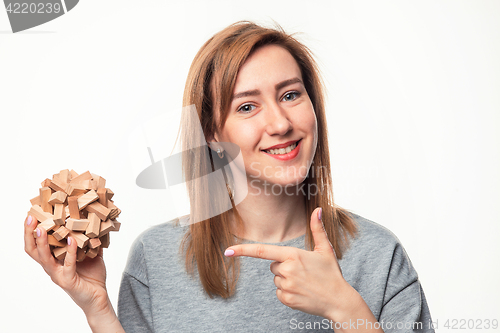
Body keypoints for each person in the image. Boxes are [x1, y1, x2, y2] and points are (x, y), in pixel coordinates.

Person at [24, 21, 434, 332]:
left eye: (291, 95)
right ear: (212, 134)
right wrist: (96, 307)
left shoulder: (378, 256)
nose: (279, 123)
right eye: (247, 107)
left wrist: (347, 310)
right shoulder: (157, 258)